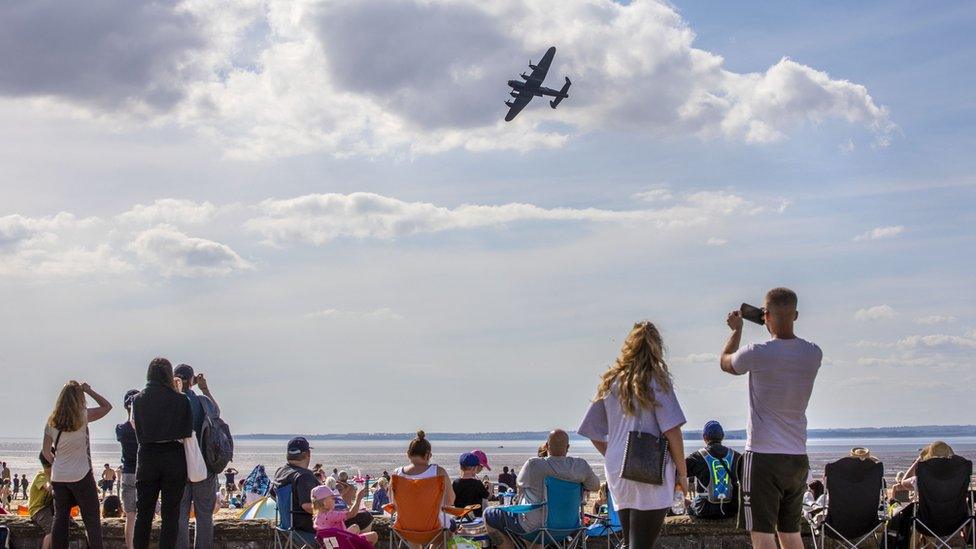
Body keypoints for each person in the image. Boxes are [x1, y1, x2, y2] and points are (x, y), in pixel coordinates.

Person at [720, 287, 822, 549]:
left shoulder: (757, 352)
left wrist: (736, 331)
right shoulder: (812, 354)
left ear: (765, 315)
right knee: (790, 533)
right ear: (796, 315)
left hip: (763, 455)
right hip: (797, 455)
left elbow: (726, 362)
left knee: (762, 534)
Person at [578, 321, 687, 549]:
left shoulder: (612, 381)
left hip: (618, 464)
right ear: (657, 347)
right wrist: (682, 474)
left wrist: (614, 452)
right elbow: (672, 430)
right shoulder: (655, 380)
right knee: (642, 542)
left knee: (630, 540)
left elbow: (592, 431)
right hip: (649, 464)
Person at [486, 430, 600, 549]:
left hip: (534, 527)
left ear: (546, 446)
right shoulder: (580, 466)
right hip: (569, 527)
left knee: (489, 514)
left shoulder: (533, 464)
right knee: (535, 528)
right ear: (568, 447)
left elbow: (519, 484)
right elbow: (595, 486)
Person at [40, 380, 112, 549]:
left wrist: (56, 463)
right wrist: (89, 391)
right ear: (78, 398)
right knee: (91, 519)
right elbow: (107, 407)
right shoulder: (83, 416)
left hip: (59, 477)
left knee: (60, 518)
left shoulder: (51, 421)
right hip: (81, 475)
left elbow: (45, 451)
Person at [131, 358, 194, 549]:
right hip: (173, 456)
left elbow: (138, 430)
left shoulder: (138, 399)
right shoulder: (181, 399)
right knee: (170, 515)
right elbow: (187, 430)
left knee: (143, 514)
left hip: (147, 455)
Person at [174, 364, 222, 549]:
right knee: (204, 516)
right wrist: (204, 389)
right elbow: (216, 414)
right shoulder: (202, 401)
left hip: (179, 466)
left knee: (180, 515)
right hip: (204, 465)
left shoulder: (172, 401)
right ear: (192, 380)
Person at [389, 430, 455, 539]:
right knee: (449, 529)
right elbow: (450, 501)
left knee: (413, 533)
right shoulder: (439, 472)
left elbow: (392, 502)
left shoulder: (397, 474)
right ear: (428, 455)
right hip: (434, 528)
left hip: (404, 528)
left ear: (408, 453)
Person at [686, 420, 741, 519]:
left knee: (687, 504)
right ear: (722, 436)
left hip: (704, 509)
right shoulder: (736, 456)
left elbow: (676, 473)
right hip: (730, 509)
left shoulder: (697, 457)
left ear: (704, 437)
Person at [272, 437, 320, 544]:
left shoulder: (280, 472)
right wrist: (330, 509)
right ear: (308, 454)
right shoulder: (304, 475)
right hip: (307, 530)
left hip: (286, 527)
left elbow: (273, 495)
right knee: (361, 519)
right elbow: (307, 506)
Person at [311, 484, 379, 545]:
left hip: (333, 545)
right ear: (324, 503)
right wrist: (358, 498)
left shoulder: (317, 518)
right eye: (333, 498)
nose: (335, 500)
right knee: (373, 535)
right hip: (343, 544)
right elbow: (351, 514)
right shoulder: (331, 515)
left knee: (355, 527)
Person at [116, 389, 140, 549]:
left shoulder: (121, 429)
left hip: (127, 473)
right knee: (144, 515)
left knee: (130, 516)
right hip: (144, 472)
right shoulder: (146, 428)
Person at [29, 453, 57, 549]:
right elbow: (48, 487)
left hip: (49, 508)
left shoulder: (54, 476)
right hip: (38, 509)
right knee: (51, 530)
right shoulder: (41, 475)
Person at [454, 453, 490, 517]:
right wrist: (490, 487)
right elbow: (487, 496)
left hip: (460, 516)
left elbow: (453, 499)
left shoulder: (455, 482)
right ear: (475, 468)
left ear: (461, 467)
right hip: (475, 517)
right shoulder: (477, 483)